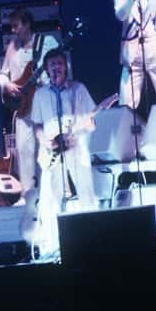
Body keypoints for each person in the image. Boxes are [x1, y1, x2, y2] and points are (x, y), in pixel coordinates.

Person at [27, 49, 98, 261]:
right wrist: (44, 140)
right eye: (51, 65)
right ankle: (53, 247)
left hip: (75, 148)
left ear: (65, 66)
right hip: (51, 151)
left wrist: (76, 134)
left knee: (87, 194)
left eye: (59, 63)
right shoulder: (40, 94)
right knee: (51, 199)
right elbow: (37, 124)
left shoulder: (78, 89)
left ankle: (96, 241)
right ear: (47, 70)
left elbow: (91, 120)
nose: (56, 68)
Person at [0, 8, 59, 199]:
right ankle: (27, 195)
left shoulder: (47, 42)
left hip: (42, 104)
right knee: (24, 150)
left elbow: (58, 68)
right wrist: (6, 84)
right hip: (23, 106)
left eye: (17, 26)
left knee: (46, 147)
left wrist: (46, 81)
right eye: (12, 27)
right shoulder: (12, 46)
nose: (14, 30)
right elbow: (2, 74)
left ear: (28, 24)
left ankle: (50, 192)